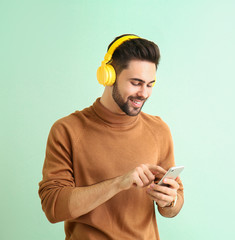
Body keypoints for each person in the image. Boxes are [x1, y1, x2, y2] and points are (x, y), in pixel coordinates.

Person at [38, 34, 184, 239]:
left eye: (150, 84)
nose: (144, 93)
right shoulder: (67, 130)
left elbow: (173, 206)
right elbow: (53, 207)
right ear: (109, 76)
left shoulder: (159, 129)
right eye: (136, 83)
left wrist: (169, 201)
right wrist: (119, 183)